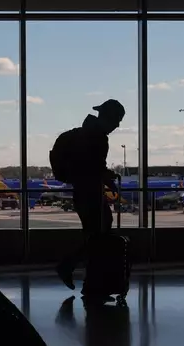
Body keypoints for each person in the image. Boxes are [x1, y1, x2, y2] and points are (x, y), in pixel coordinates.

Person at [54, 99, 125, 298]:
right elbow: (92, 167)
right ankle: (82, 277)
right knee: (99, 237)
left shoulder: (86, 134)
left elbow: (90, 166)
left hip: (85, 191)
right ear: (108, 118)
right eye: (117, 120)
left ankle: (89, 282)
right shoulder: (97, 138)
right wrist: (106, 177)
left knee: (96, 236)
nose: (118, 125)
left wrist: (104, 176)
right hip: (89, 193)